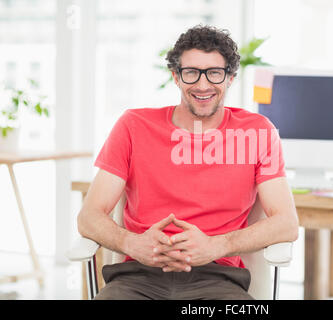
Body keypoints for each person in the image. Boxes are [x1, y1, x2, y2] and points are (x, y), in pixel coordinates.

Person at [77, 24, 298, 300]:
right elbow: (89, 216)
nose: (203, 85)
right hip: (137, 278)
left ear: (229, 78)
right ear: (176, 77)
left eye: (214, 73)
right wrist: (131, 243)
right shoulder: (133, 126)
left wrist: (216, 246)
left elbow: (287, 223)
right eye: (191, 72)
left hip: (218, 280)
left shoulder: (258, 132)